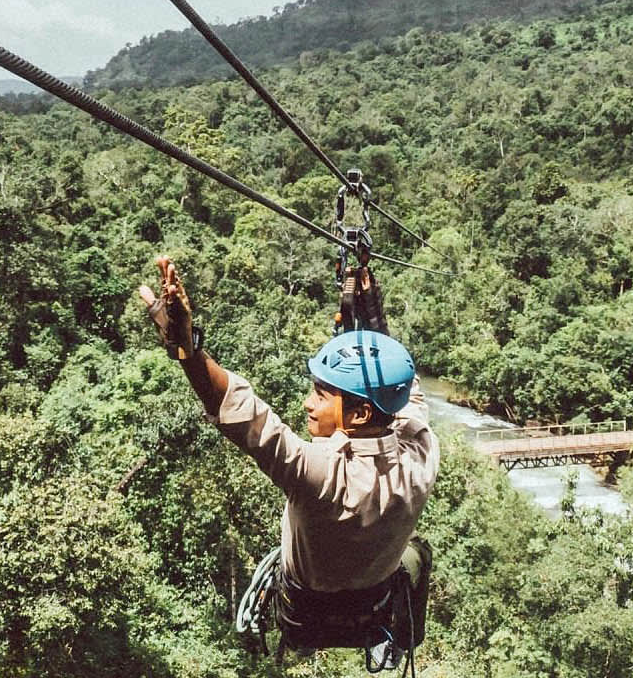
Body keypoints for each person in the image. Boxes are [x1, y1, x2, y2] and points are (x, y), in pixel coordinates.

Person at [138, 255, 438, 606]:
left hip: (306, 604)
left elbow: (245, 415)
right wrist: (372, 314)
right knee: (418, 551)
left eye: (321, 395)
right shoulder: (423, 452)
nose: (308, 403)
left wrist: (187, 350)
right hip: (376, 594)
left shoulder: (321, 475)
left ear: (360, 414)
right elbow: (406, 392)